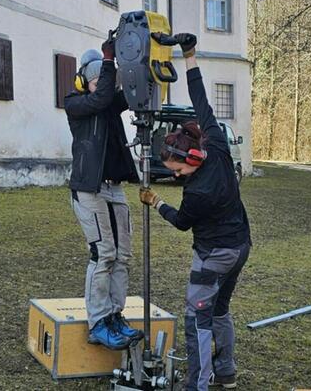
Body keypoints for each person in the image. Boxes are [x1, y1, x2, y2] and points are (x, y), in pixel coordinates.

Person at [139, 34, 252, 390]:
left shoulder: (198, 192)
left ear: (190, 160)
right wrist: (189, 55)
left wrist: (156, 202)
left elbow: (182, 223)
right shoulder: (215, 143)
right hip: (240, 248)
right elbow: (200, 98)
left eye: (176, 169)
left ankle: (198, 385)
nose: (174, 175)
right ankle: (227, 373)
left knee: (197, 318)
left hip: (214, 255)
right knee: (220, 310)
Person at [65, 39, 144, 350]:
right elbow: (99, 100)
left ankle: (114, 316)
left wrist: (144, 65)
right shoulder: (76, 102)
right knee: (103, 254)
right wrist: (109, 61)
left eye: (105, 78)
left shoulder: (108, 100)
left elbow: (133, 95)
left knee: (123, 256)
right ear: (84, 81)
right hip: (89, 188)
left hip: (115, 188)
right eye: (96, 79)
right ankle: (98, 321)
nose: (103, 86)